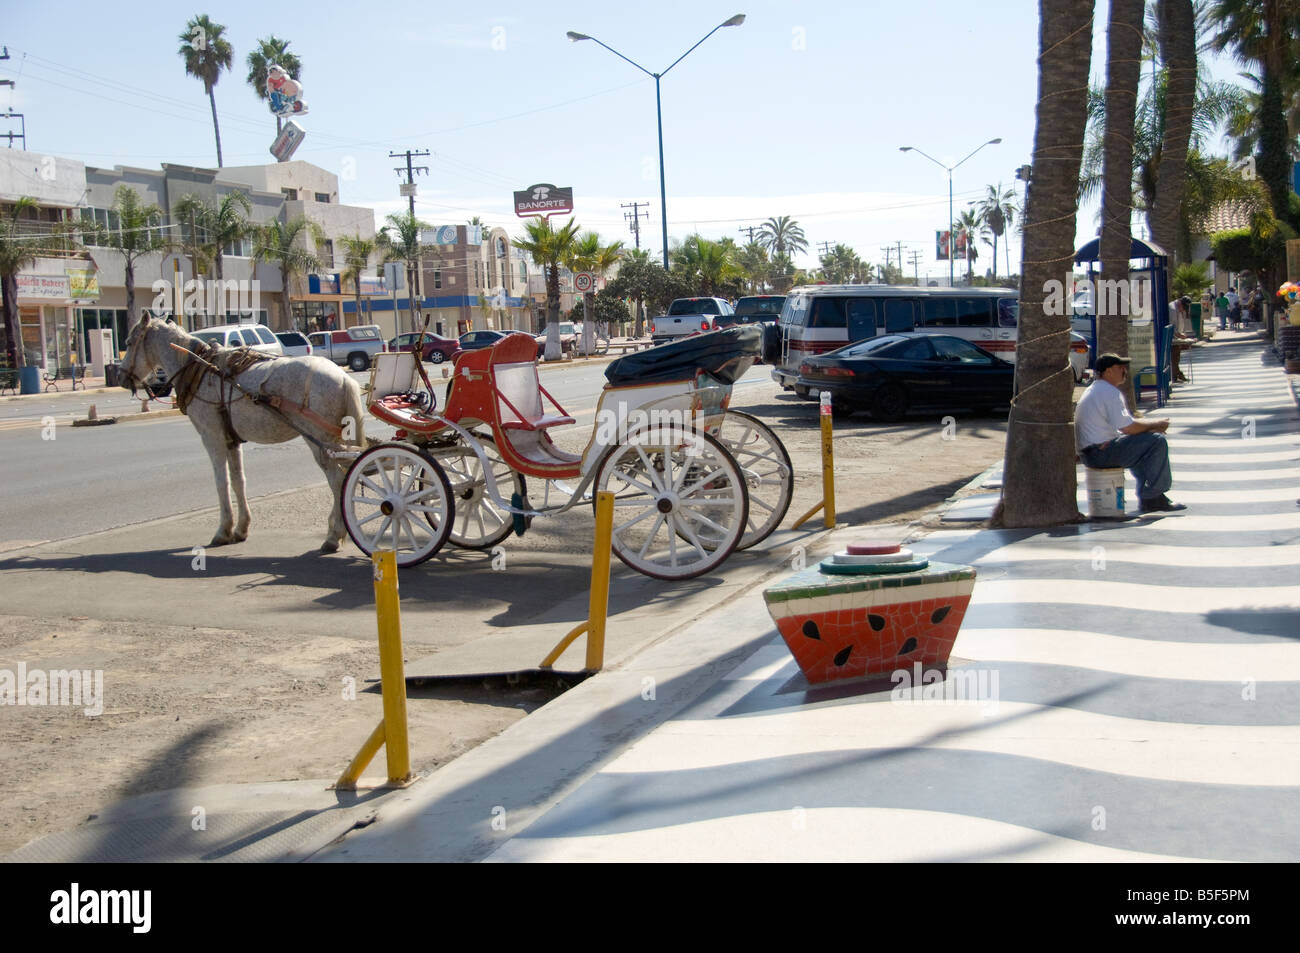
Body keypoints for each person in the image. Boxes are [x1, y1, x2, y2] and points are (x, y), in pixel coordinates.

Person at [1075, 353, 1186, 513]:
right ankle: (1153, 496)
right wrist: (1157, 425)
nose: (1124, 371)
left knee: (1143, 444)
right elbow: (1127, 427)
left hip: (1093, 451)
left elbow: (1125, 427)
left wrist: (1147, 428)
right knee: (1156, 441)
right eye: (1120, 368)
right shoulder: (1108, 392)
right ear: (1108, 371)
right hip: (1100, 452)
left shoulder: (1096, 389)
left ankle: (1151, 497)